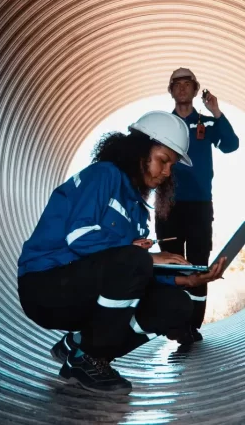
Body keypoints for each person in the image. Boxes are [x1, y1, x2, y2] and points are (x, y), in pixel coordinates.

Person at [17, 110, 230, 394]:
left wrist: (187, 281)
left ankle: (81, 345)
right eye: (163, 161)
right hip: (46, 285)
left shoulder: (138, 211)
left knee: (177, 305)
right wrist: (146, 256)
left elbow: (129, 274)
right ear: (140, 150)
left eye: (172, 166)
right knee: (135, 260)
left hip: (85, 293)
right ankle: (88, 359)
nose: (167, 172)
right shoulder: (104, 174)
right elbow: (80, 236)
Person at [154, 68, 240, 344]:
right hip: (168, 206)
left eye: (186, 83)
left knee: (199, 265)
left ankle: (192, 325)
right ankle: (175, 323)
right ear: (170, 90)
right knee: (171, 264)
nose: (181, 88)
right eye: (176, 84)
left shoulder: (206, 123)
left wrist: (216, 111)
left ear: (195, 89)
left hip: (200, 206)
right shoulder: (161, 125)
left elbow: (231, 145)